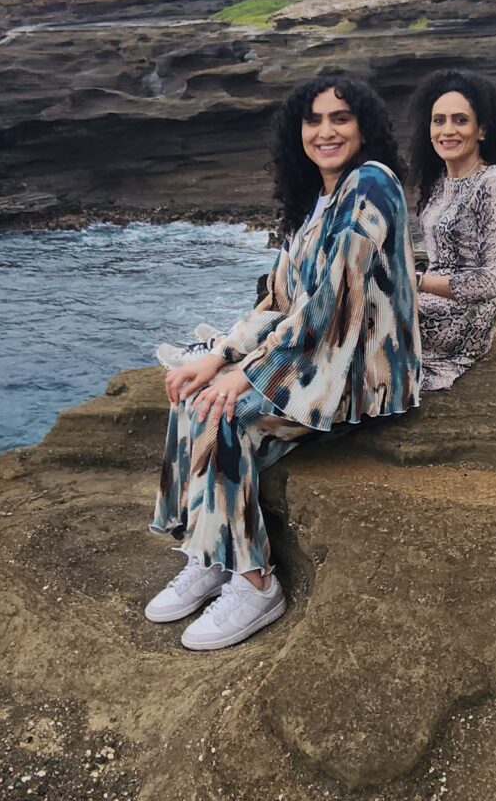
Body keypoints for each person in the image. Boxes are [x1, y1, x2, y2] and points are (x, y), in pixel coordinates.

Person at [145, 74, 420, 650]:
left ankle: (255, 585)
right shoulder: (315, 200)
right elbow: (277, 300)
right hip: (313, 356)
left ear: (364, 127)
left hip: (357, 372)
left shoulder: (372, 184)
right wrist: (219, 356)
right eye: (313, 120)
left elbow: (331, 304)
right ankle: (212, 551)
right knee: (193, 393)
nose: (325, 131)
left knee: (224, 412)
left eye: (340, 118)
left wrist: (247, 373)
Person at [405, 69, 496, 392]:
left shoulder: (493, 183)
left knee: (363, 314)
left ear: (481, 129)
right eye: (438, 120)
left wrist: (415, 281)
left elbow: (490, 282)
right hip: (428, 302)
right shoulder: (440, 181)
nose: (447, 130)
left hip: (464, 319)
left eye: (460, 120)